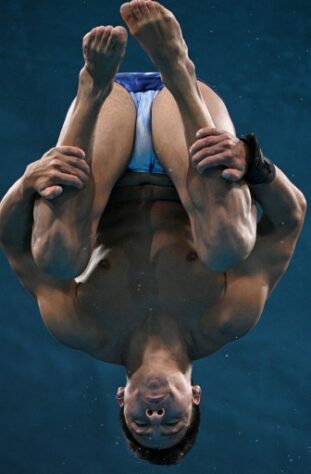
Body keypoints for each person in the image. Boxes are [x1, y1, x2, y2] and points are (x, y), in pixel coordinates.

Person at [0, 0, 306, 465]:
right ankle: (178, 68)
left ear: (122, 399)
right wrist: (254, 162)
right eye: (173, 421)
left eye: (142, 422)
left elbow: (13, 240)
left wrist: (28, 180)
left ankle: (89, 86)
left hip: (105, 130)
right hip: (186, 132)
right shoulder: (228, 315)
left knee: (56, 257)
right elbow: (291, 217)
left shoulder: (82, 327)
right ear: (195, 396)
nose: (156, 415)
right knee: (229, 245)